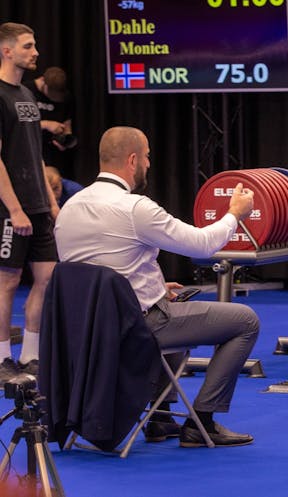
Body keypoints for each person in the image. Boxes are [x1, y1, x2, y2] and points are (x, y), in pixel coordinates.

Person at [54, 126, 261, 446]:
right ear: (133, 160)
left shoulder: (69, 209)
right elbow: (203, 245)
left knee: (170, 305)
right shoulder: (136, 208)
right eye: (148, 156)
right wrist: (235, 214)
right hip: (136, 327)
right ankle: (202, 421)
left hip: (89, 331)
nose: (150, 164)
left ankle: (160, 417)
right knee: (245, 320)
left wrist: (151, 285)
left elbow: (96, 275)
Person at [0, 22, 60, 382]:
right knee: (7, 283)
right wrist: (15, 208)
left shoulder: (25, 94)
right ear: (7, 51)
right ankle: (3, 360)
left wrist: (49, 202)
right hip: (9, 207)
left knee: (47, 279)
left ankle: (31, 357)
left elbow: (33, 153)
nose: (35, 51)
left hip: (38, 205)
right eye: (27, 46)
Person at [26, 66, 75, 176]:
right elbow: (18, 124)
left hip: (53, 152)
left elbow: (67, 120)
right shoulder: (26, 91)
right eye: (52, 95)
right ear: (44, 82)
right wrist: (45, 124)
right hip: (30, 147)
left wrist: (65, 136)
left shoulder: (66, 97)